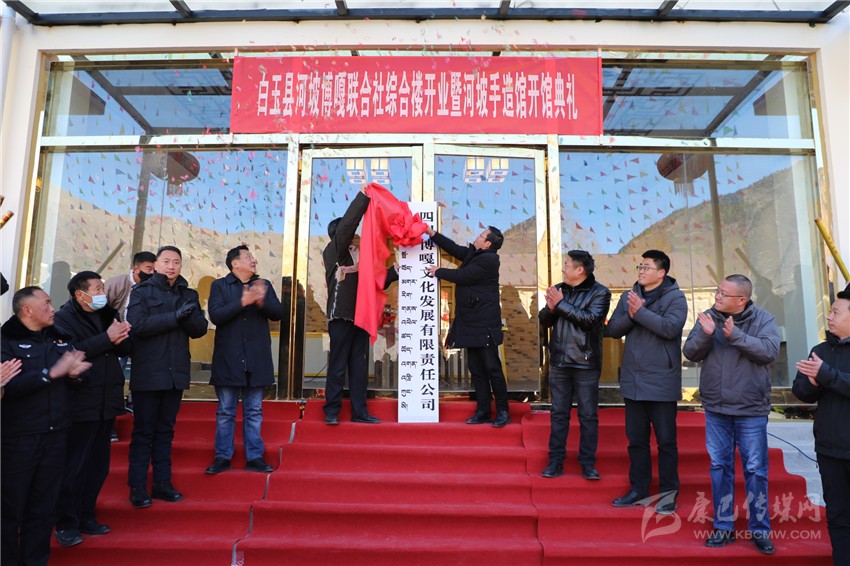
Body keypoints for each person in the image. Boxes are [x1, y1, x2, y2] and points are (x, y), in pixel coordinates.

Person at [683, 274, 780, 555]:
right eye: (718, 290)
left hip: (751, 409)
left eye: (724, 293)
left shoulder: (763, 319)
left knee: (755, 470)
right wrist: (706, 333)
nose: (717, 296)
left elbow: (769, 352)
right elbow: (690, 352)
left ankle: (760, 530)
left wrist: (734, 335)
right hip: (717, 407)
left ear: (742, 300)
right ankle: (723, 526)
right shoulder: (708, 317)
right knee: (719, 468)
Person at [1, 287, 91, 566]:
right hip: (19, 438)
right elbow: (9, 388)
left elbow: (74, 381)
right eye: (47, 304)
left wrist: (74, 376)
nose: (53, 309)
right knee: (10, 510)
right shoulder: (6, 341)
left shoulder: (60, 337)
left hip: (56, 435)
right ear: (27, 310)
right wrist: (49, 374)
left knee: (43, 509)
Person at [52, 271, 132, 547]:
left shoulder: (108, 314)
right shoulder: (63, 319)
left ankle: (87, 514)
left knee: (98, 467)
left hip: (106, 401)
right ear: (80, 294)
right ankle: (65, 522)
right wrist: (107, 338)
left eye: (103, 288)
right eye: (97, 289)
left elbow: (123, 349)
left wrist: (122, 337)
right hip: (80, 402)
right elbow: (69, 352)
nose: (102, 294)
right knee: (74, 467)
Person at [126, 246, 208, 508]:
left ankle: (162, 483)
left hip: (175, 373)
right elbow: (137, 326)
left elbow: (199, 329)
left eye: (176, 262)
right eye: (166, 261)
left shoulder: (188, 294)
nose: (171, 266)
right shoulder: (141, 292)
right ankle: (138, 486)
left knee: (165, 431)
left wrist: (188, 316)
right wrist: (175, 317)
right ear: (156, 264)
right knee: (143, 432)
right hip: (149, 372)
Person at [606, 250, 687, 514]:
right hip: (634, 380)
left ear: (661, 273)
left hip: (662, 380)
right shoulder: (629, 296)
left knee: (666, 443)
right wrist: (632, 313)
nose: (641, 271)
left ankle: (668, 494)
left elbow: (670, 329)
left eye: (647, 267)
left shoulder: (675, 297)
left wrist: (639, 312)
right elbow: (613, 330)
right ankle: (638, 489)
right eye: (639, 266)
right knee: (636, 441)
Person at [205, 246, 283, 475]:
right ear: (235, 263)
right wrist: (243, 301)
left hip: (256, 358)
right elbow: (216, 316)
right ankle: (222, 457)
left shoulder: (263, 285)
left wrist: (260, 301)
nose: (254, 260)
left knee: (254, 411)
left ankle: (255, 457)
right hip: (229, 359)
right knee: (226, 411)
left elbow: (278, 313)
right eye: (248, 257)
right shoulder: (219, 286)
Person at [322, 188, 396, 425]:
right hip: (341, 316)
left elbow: (376, 281)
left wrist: (396, 271)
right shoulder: (334, 252)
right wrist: (363, 198)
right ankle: (332, 411)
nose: (355, 235)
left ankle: (360, 412)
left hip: (362, 316)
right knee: (338, 365)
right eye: (351, 232)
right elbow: (346, 226)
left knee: (359, 366)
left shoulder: (361, 257)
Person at [426, 225, 510, 427]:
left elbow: (464, 276)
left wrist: (438, 271)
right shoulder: (475, 255)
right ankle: (482, 411)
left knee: (492, 368)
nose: (476, 237)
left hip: (485, 324)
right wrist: (432, 234)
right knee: (477, 370)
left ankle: (503, 411)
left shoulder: (490, 260)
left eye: (481, 235)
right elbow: (454, 249)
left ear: (488, 243)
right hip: (471, 323)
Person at [538, 250, 611, 479]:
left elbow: (590, 320)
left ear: (580, 270)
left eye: (567, 264)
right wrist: (551, 308)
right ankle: (555, 461)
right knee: (558, 414)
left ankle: (588, 463)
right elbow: (544, 320)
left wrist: (560, 304)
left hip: (585, 363)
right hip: (560, 361)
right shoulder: (559, 289)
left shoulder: (600, 292)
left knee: (588, 416)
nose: (563, 268)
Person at [792, 289, 850, 564]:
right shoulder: (820, 351)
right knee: (838, 515)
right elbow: (801, 392)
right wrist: (813, 382)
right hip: (829, 449)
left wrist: (826, 375)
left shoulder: (824, 364)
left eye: (836, 312)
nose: (829, 317)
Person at [104, 251, 156, 321]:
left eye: (154, 270)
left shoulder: (155, 286)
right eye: (149, 269)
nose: (152, 273)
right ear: (136, 269)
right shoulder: (115, 285)